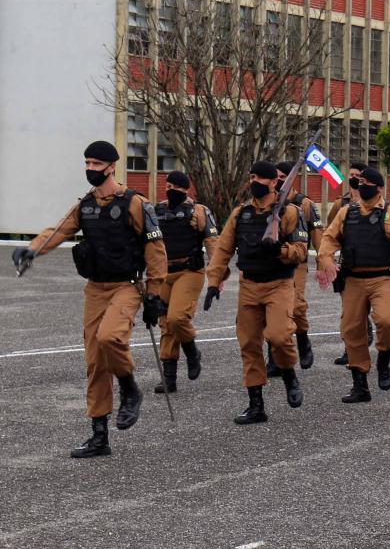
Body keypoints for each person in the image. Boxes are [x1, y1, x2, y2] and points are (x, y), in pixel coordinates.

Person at [11, 140, 168, 458]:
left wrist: (155, 294)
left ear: (112, 166)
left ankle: (128, 386)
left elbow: (156, 251)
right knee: (95, 362)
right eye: (87, 164)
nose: (90, 170)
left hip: (126, 286)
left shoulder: (135, 203)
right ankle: (99, 436)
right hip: (96, 288)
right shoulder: (85, 205)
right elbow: (58, 230)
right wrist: (32, 249)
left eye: (96, 165)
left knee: (110, 337)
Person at [202, 161, 309, 425]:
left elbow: (301, 251)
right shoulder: (241, 214)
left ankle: (288, 375)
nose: (255, 182)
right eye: (252, 177)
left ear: (274, 182)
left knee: (280, 336)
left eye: (261, 178)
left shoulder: (289, 212)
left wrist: (279, 250)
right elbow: (223, 249)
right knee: (249, 343)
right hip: (249, 285)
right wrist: (214, 281)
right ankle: (255, 404)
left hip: (279, 284)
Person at [316, 167, 390, 402]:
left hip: (382, 278)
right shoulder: (346, 212)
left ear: (378, 188)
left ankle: (384, 360)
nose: (360, 184)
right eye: (359, 181)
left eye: (366, 182)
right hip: (353, 280)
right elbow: (328, 238)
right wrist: (325, 260)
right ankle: (360, 384)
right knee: (351, 330)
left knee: (388, 321)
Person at [152, 170, 219, 393]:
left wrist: (216, 278)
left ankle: (192, 351)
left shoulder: (198, 211)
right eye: (167, 186)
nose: (170, 190)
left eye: (175, 187)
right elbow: (146, 244)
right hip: (163, 273)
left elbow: (212, 243)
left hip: (189, 271)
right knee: (165, 322)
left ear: (186, 189)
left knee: (177, 317)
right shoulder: (157, 210)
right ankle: (169, 378)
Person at [264, 161, 323, 375]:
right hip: (270, 263)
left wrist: (323, 261)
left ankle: (303, 339)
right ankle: (274, 359)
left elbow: (317, 235)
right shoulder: (266, 202)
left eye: (282, 176)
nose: (278, 181)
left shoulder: (304, 204)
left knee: (296, 306)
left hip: (295, 262)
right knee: (272, 310)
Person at [326, 162, 373, 366]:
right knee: (348, 310)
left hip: (370, 261)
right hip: (347, 261)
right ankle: (349, 348)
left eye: (358, 175)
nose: (354, 178)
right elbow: (330, 229)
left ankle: (367, 328)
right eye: (351, 175)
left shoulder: (375, 203)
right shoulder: (341, 204)